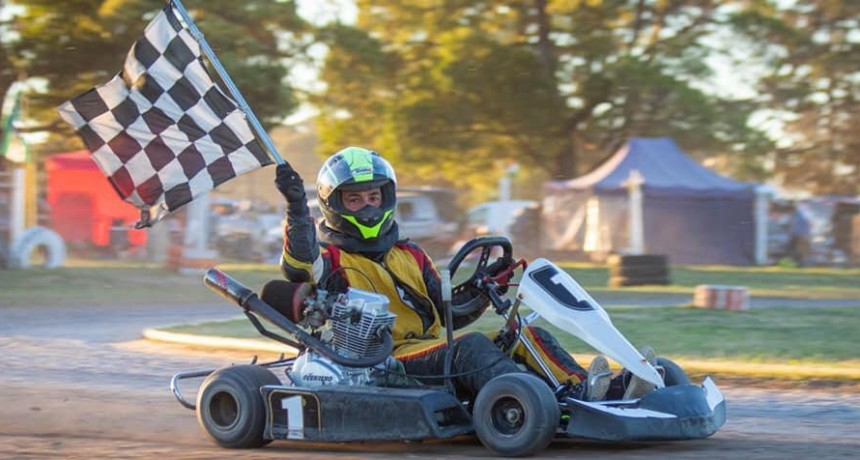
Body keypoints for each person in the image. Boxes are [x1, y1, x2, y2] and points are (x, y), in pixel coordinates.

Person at [275, 146, 648, 401]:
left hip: (432, 349)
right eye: (354, 200)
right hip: (384, 362)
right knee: (470, 348)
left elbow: (450, 312)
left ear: (386, 198)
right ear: (333, 204)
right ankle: (526, 403)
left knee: (525, 333)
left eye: (373, 197)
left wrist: (485, 286)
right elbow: (299, 266)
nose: (367, 207)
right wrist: (295, 209)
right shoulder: (331, 258)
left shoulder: (410, 253)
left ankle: (595, 393)